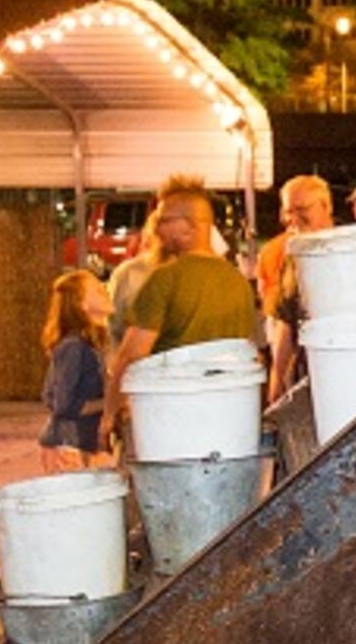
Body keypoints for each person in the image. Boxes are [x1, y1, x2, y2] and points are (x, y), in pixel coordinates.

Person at [102, 185, 263, 447]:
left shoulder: (165, 278)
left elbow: (132, 354)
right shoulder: (238, 282)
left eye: (164, 220)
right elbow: (251, 351)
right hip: (226, 417)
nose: (155, 228)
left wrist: (109, 412)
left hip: (171, 418)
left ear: (190, 226)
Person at [250, 174, 333, 394]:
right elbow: (285, 320)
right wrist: (277, 376)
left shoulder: (350, 249)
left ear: (326, 207)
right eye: (289, 211)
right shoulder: (293, 255)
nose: (293, 219)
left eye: (302, 208)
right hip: (305, 375)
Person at [38, 269, 116, 470]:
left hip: (77, 445)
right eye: (98, 290)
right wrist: (112, 402)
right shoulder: (74, 346)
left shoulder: (88, 344)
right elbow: (64, 405)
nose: (106, 291)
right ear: (82, 305)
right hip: (68, 447)